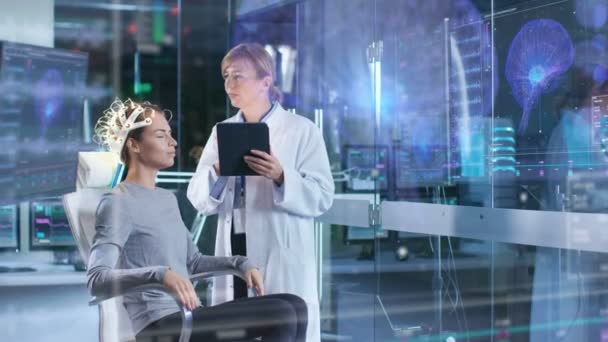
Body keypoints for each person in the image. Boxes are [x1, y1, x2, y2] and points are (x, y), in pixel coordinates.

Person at [87, 98, 308, 342]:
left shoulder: (165, 198)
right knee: (280, 313)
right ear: (134, 145)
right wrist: (161, 275)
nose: (173, 142)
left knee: (295, 305)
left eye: (170, 134)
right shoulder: (117, 202)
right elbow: (97, 279)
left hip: (189, 313)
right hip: (161, 325)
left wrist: (240, 263)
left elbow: (192, 262)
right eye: (161, 136)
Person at [187, 43, 334, 342]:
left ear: (265, 81)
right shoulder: (221, 131)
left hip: (279, 248)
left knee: (283, 327)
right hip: (234, 246)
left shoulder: (301, 130)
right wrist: (216, 170)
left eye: (238, 76)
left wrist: (281, 176)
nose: (229, 84)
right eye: (226, 76)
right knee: (236, 329)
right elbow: (198, 197)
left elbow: (322, 196)